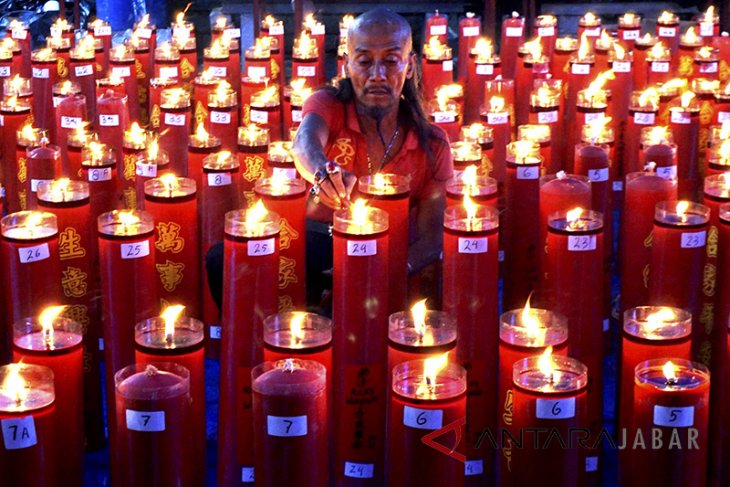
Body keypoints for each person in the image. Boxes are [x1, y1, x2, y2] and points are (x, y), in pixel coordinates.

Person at [292, 7, 454, 307]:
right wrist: (321, 171)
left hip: (392, 260)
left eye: (391, 61)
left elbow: (433, 236)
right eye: (364, 61)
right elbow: (304, 142)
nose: (377, 75)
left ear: (409, 66)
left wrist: (389, 270)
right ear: (347, 64)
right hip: (322, 250)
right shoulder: (329, 105)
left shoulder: (433, 144)